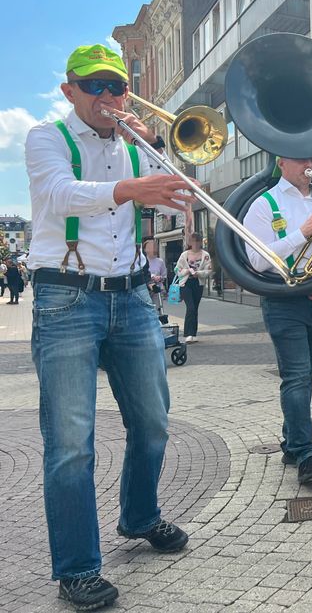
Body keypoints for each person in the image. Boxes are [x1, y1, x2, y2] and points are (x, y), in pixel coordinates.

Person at [25, 44, 191, 610]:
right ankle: (77, 568)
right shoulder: (47, 137)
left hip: (133, 293)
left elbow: (178, 200)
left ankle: (139, 516)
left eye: (116, 86)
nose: (108, 96)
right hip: (66, 295)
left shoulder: (133, 146)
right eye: (94, 85)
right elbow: (57, 195)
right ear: (69, 90)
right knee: (71, 443)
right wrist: (128, 188)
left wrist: (155, 147)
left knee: (153, 422)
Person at [242, 155, 312, 484]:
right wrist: (302, 232)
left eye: (311, 157)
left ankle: (290, 443)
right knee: (297, 377)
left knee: (305, 378)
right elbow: (257, 260)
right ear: (282, 162)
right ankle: (306, 453)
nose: (308, 164)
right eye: (300, 159)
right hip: (283, 302)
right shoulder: (263, 204)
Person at [174, 232, 212, 343]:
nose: (195, 244)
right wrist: (187, 271)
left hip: (198, 283)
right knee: (190, 307)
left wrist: (198, 273)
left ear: (201, 242)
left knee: (195, 308)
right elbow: (177, 269)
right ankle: (188, 334)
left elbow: (208, 270)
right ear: (190, 242)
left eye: (198, 241)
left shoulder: (205, 255)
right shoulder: (184, 255)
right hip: (186, 283)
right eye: (193, 241)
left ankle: (193, 333)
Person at [144, 240, 167, 314]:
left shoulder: (160, 261)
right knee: (146, 310)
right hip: (145, 289)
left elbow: (164, 275)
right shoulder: (142, 261)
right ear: (145, 249)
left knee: (157, 310)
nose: (151, 248)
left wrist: (159, 278)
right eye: (149, 247)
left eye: (153, 246)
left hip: (157, 289)